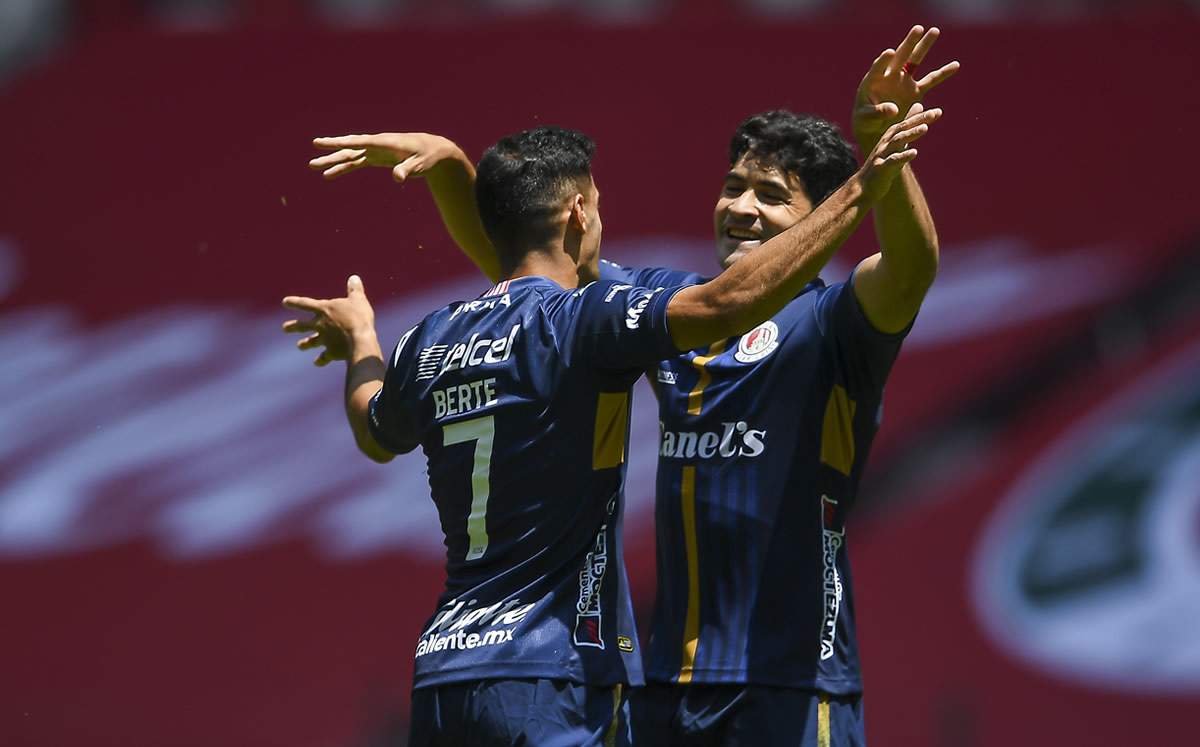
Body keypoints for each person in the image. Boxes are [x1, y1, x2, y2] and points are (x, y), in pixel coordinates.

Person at [286, 113, 937, 746]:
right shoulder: (672, 308)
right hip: (665, 690)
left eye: (771, 195)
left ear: (823, 216)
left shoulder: (835, 320)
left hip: (791, 686)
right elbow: (528, 260)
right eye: (733, 187)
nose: (741, 206)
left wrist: (885, 163)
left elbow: (912, 267)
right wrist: (458, 170)